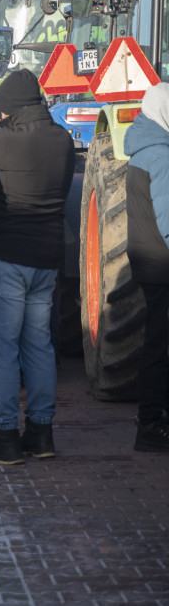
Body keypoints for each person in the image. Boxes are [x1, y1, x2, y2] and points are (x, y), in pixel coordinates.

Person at [0, 69, 75, 464]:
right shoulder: (62, 140)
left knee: (0, 349)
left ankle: (5, 434)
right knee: (38, 346)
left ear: (8, 109)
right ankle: (41, 433)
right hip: (45, 260)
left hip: (2, 258)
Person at [125, 82, 169, 453]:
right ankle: (152, 424)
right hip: (163, 263)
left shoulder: (141, 148)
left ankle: (154, 421)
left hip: (148, 261)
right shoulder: (162, 155)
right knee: (160, 347)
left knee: (157, 342)